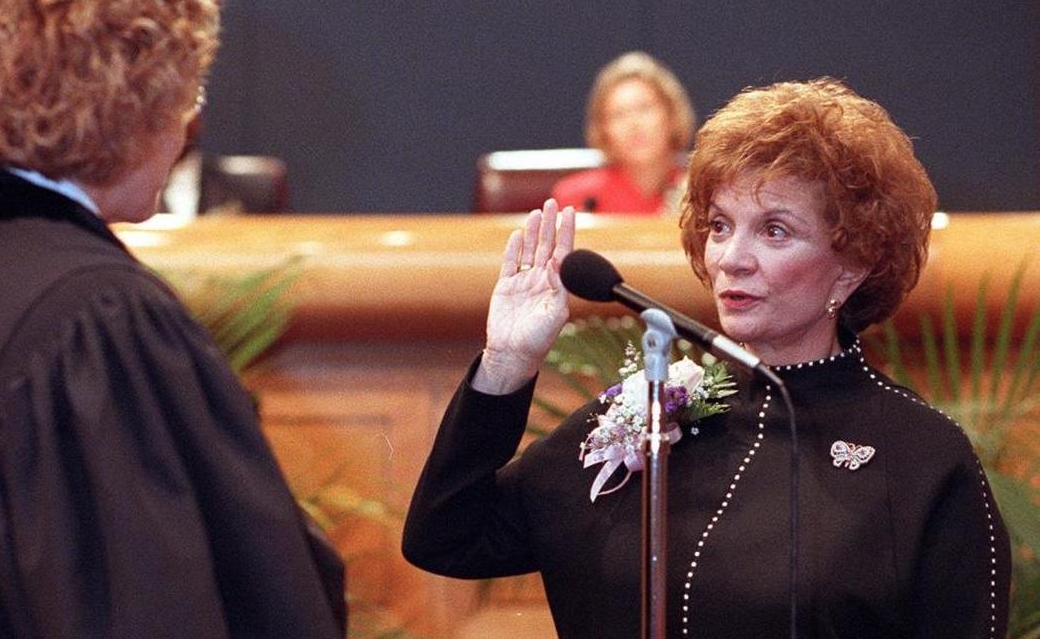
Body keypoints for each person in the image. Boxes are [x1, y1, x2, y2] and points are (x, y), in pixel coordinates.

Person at [403, 78, 1010, 638]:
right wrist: (507, 363)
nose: (731, 259)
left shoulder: (922, 457)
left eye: (774, 231)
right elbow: (447, 538)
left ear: (853, 264)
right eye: (721, 226)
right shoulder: (651, 411)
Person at [0, 0, 345, 637]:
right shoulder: (97, 322)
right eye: (184, 91)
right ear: (122, 104)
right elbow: (211, 594)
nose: (188, 123)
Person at [551, 51, 695, 216]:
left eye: (644, 108)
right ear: (603, 129)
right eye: (618, 114)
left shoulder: (697, 192)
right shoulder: (576, 197)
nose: (633, 123)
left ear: (671, 115)